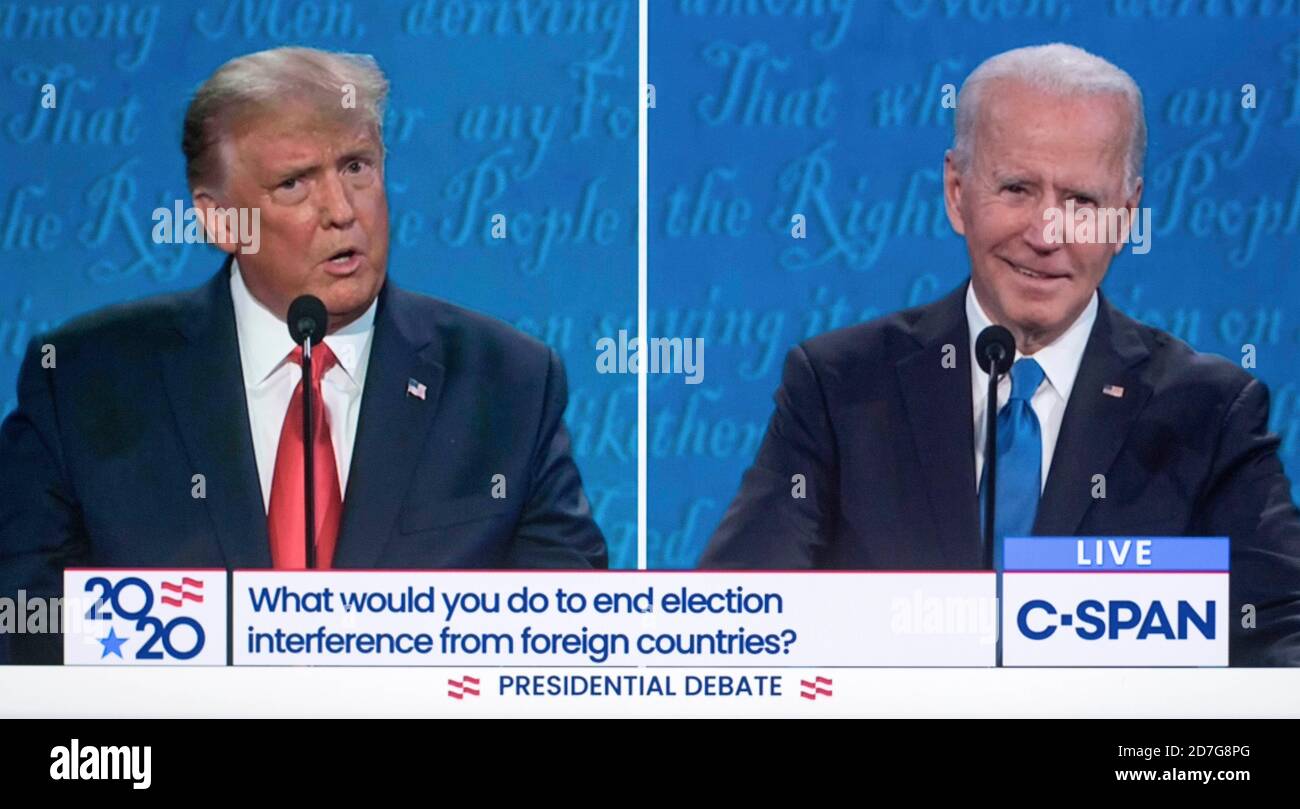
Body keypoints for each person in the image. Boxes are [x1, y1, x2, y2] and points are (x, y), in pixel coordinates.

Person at [0, 47, 607, 664]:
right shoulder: (84, 382)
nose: (342, 212)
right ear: (221, 222)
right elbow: (24, 624)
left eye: (357, 167)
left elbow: (563, 634)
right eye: (295, 183)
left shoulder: (508, 384)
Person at [700, 43, 1300, 666]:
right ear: (957, 193)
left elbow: (1280, 635)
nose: (1046, 235)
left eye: (1083, 204)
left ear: (1125, 219)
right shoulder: (839, 387)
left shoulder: (1207, 412)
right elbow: (744, 613)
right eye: (1016, 188)